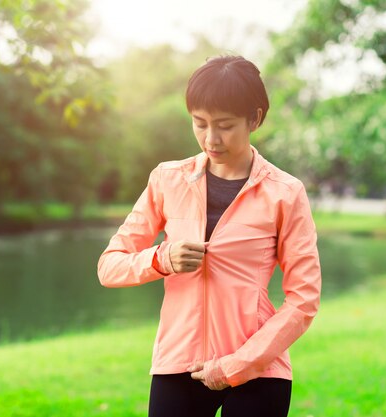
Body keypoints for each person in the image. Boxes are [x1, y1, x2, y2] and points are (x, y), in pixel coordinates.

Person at [97, 55, 322, 417]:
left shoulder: (285, 192)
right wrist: (161, 259)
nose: (210, 138)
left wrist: (235, 366)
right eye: (199, 124)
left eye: (225, 125)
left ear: (255, 118)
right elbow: (109, 266)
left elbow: (303, 300)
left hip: (258, 370)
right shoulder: (167, 180)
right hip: (178, 363)